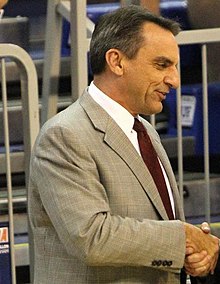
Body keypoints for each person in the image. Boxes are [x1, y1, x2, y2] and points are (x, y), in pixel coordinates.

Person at [28, 6, 219, 284]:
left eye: (175, 67)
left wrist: (191, 251)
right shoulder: (63, 135)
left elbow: (161, 227)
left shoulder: (146, 131)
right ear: (116, 62)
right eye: (162, 65)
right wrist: (182, 239)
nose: (174, 80)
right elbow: (91, 236)